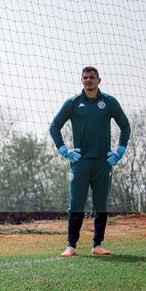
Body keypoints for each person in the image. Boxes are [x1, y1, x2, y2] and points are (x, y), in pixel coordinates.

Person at [49, 66, 131, 257]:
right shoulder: (73, 103)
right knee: (76, 203)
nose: (88, 80)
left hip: (103, 162)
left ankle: (98, 244)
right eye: (85, 77)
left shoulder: (109, 102)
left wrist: (120, 150)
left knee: (100, 204)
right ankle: (71, 245)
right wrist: (63, 149)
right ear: (81, 80)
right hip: (80, 162)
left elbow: (125, 126)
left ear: (98, 80)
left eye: (92, 77)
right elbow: (54, 126)